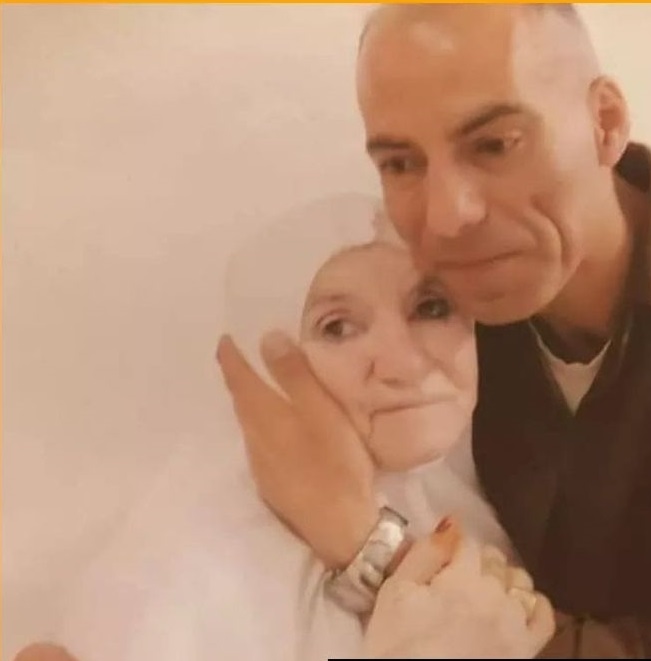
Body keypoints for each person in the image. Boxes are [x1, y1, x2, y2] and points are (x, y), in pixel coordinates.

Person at [215, 4, 651, 659]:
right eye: (401, 164)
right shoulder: (448, 313)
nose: (448, 215)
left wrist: (368, 546)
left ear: (605, 122)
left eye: (494, 145)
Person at [15, 195, 553, 661]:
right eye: (336, 327)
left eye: (431, 308)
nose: (404, 362)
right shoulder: (190, 573)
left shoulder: (504, 478)